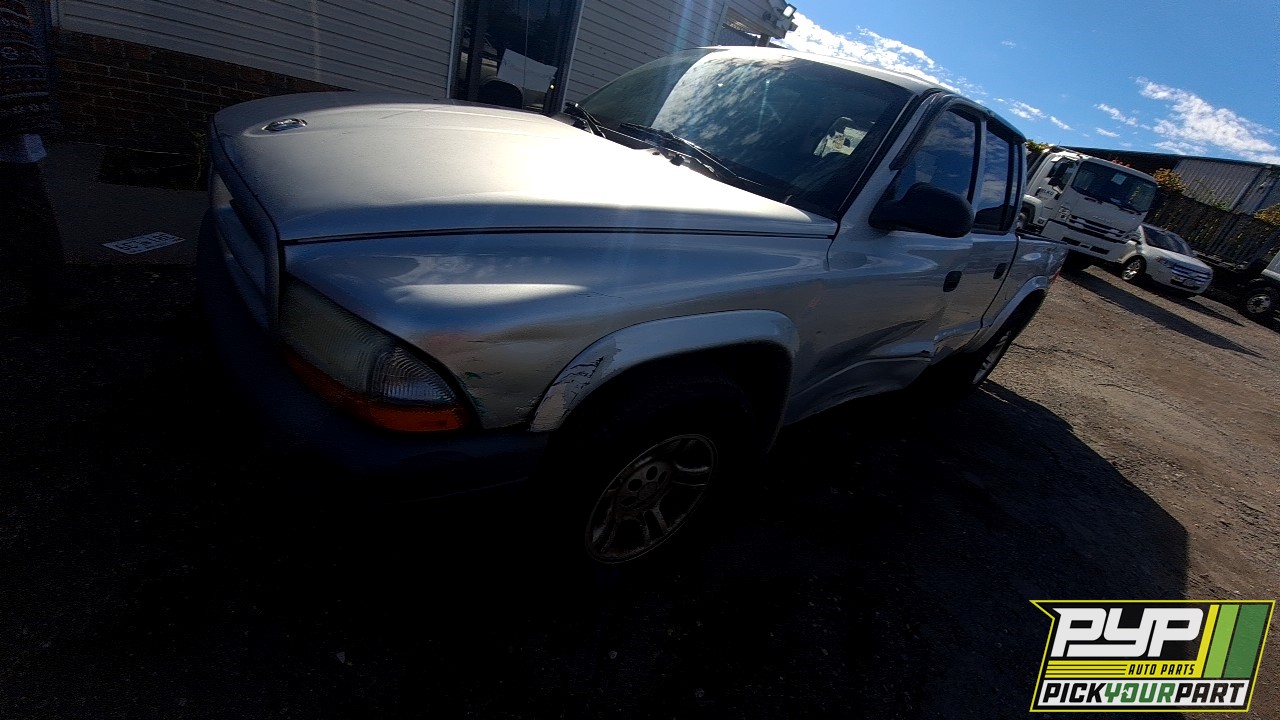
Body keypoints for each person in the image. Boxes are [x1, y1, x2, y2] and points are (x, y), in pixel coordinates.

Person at [1, 0, 67, 324]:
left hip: (10, 119)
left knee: (25, 211)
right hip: (19, 115)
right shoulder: (16, 7)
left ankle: (49, 297)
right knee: (28, 208)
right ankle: (49, 294)